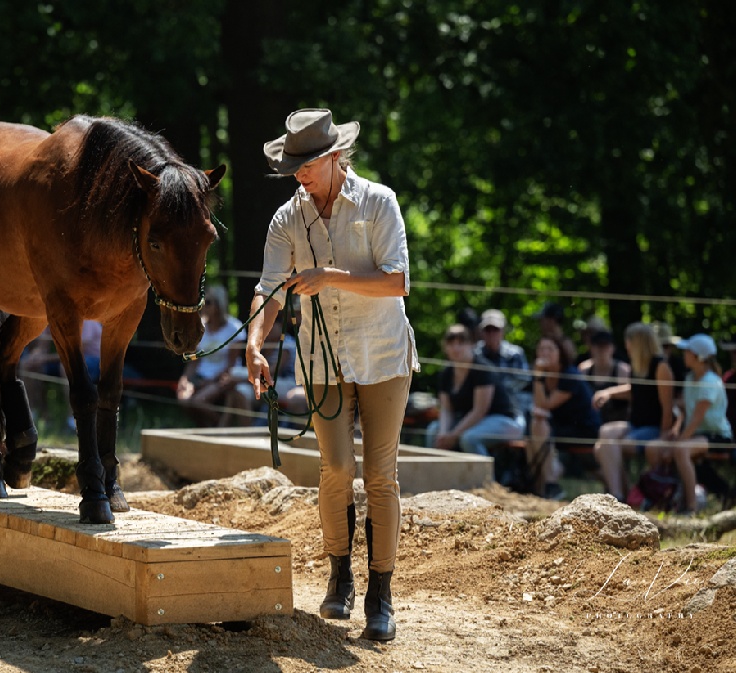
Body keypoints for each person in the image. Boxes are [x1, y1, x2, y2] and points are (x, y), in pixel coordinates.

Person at [245, 108, 418, 641]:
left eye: (307, 164)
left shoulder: (379, 201)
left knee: (381, 475)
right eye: (292, 165)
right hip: (321, 356)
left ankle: (380, 594)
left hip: (382, 353)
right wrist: (254, 343)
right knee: (336, 467)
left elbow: (396, 282)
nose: (298, 173)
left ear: (335, 156)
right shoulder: (286, 219)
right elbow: (269, 289)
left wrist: (329, 277)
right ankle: (339, 575)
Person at [645, 334, 733, 513]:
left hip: (717, 436)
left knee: (681, 450)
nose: (683, 355)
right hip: (695, 435)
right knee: (653, 447)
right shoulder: (690, 378)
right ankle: (664, 496)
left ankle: (691, 507)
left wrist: (677, 443)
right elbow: (686, 413)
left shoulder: (710, 382)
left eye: (687, 352)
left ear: (698, 356)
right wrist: (675, 430)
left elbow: (697, 418)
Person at [591, 323, 676, 502]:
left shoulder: (660, 367)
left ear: (637, 342)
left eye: (628, 341)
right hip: (635, 425)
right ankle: (623, 494)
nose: (626, 346)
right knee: (605, 434)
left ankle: (619, 495)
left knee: (604, 449)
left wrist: (664, 437)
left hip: (654, 428)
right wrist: (609, 393)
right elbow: (636, 390)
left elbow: (668, 406)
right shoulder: (637, 365)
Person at [426, 323, 525, 457]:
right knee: (434, 430)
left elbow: (479, 411)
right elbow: (447, 409)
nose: (456, 348)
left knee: (469, 439)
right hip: (473, 422)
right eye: (451, 343)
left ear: (472, 345)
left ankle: (485, 472)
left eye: (461, 343)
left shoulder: (482, 369)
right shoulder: (446, 373)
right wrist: (443, 434)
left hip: (506, 421)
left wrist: (454, 435)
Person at [528, 334, 601, 499]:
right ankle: (542, 487)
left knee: (539, 427)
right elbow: (539, 406)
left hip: (583, 429)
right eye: (541, 349)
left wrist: (538, 377)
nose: (545, 353)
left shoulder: (569, 375)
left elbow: (545, 405)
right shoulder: (544, 375)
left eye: (550, 349)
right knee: (535, 429)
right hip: (560, 427)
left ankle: (549, 484)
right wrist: (539, 377)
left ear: (560, 352)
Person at [177, 285, 248, 427]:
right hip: (200, 376)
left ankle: (222, 428)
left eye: (208, 302)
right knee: (184, 400)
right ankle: (206, 429)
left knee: (198, 402)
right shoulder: (199, 327)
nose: (204, 306)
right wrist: (184, 379)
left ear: (219, 304)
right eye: (202, 302)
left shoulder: (234, 328)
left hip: (223, 378)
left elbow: (231, 365)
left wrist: (210, 381)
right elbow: (194, 361)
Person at [475, 308, 532, 417]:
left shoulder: (515, 353)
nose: (491, 333)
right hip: (479, 403)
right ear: (481, 332)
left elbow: (523, 379)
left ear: (503, 330)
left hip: (511, 404)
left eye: (495, 329)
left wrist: (494, 390)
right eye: (487, 330)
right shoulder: (475, 354)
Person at [578, 329, 631, 424]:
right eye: (598, 346)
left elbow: (632, 393)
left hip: (617, 421)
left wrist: (609, 393)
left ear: (613, 348)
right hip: (590, 421)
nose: (602, 350)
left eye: (605, 346)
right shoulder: (584, 369)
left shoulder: (623, 370)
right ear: (591, 348)